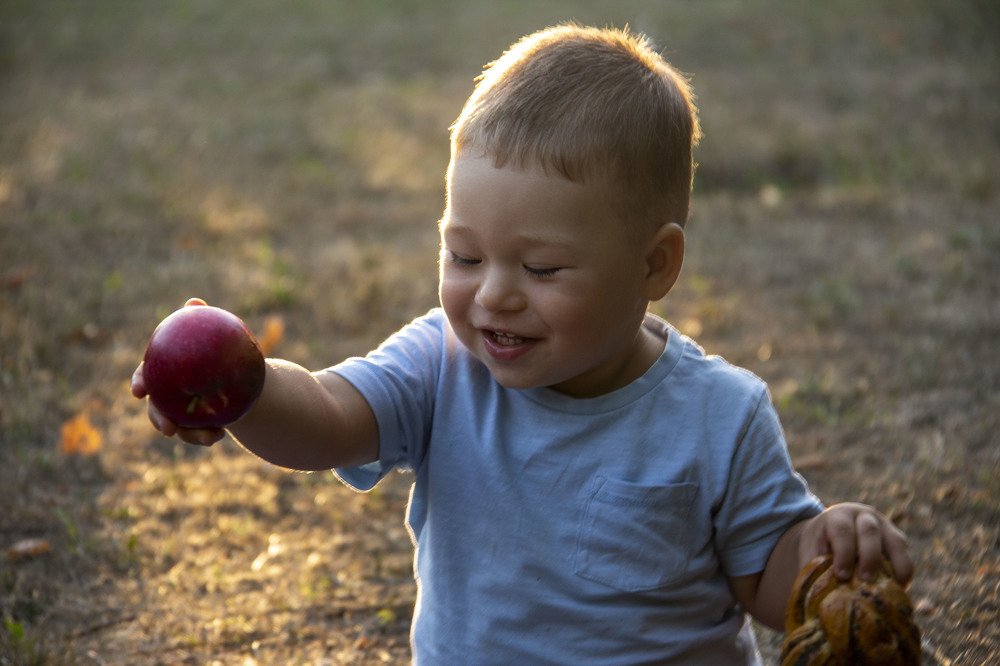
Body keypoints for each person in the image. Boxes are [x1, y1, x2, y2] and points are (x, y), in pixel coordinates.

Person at [132, 23, 912, 664]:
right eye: (463, 255)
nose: (494, 292)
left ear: (654, 264)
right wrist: (250, 389)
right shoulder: (442, 365)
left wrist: (830, 553)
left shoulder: (720, 417)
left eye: (540, 267)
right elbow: (330, 417)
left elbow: (769, 583)